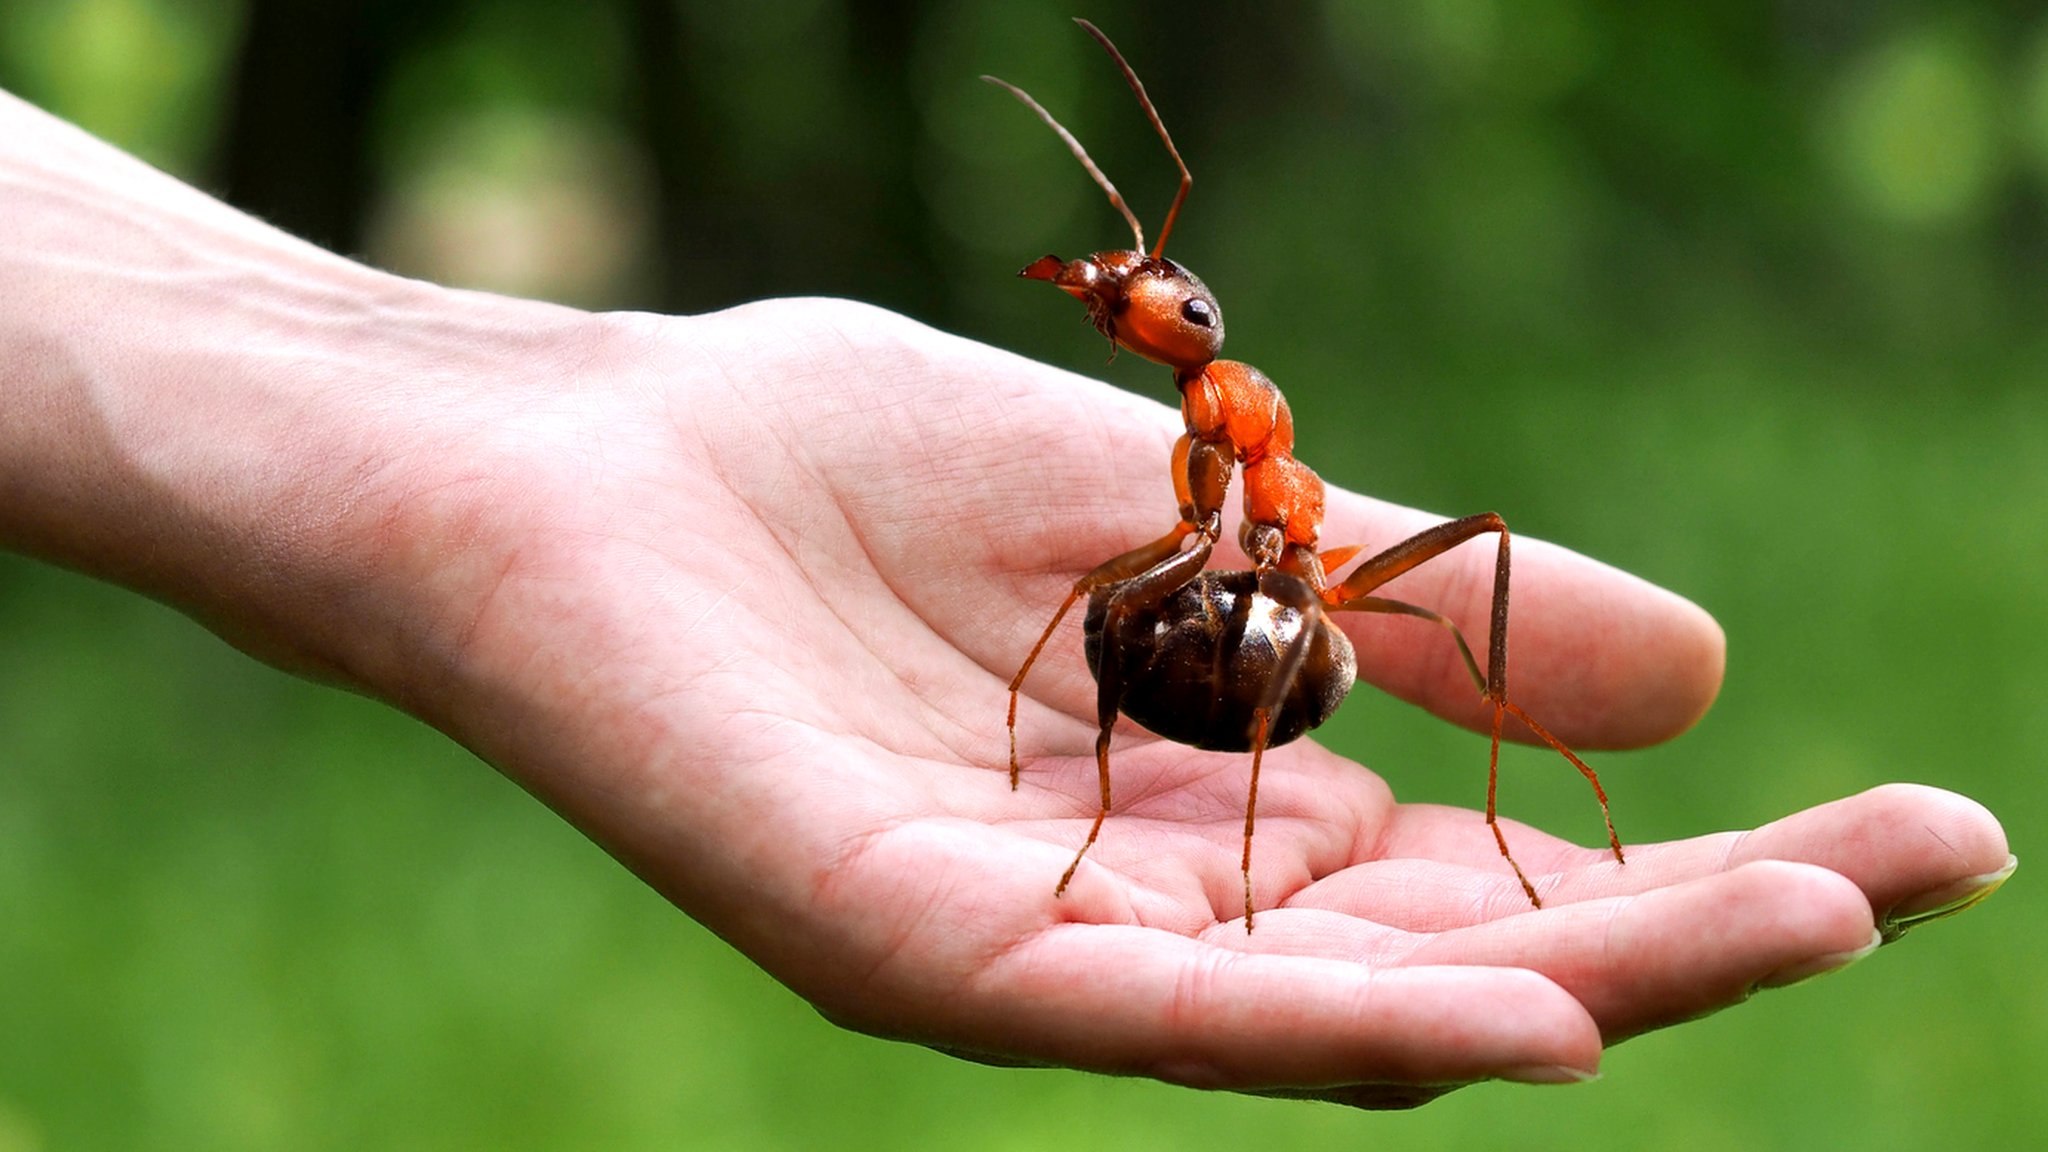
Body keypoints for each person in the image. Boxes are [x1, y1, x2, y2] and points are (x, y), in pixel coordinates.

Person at [0, 88, 2013, 1110]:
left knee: (1444, 570)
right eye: (1136, 299)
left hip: (1288, 643)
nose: (1131, 307)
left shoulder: (1254, 485)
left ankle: (1509, 805)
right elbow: (1170, 516)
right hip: (1230, 618)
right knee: (1176, 594)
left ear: (1193, 345)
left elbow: (1247, 546)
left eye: (1148, 300)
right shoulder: (1197, 463)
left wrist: (1244, 604)